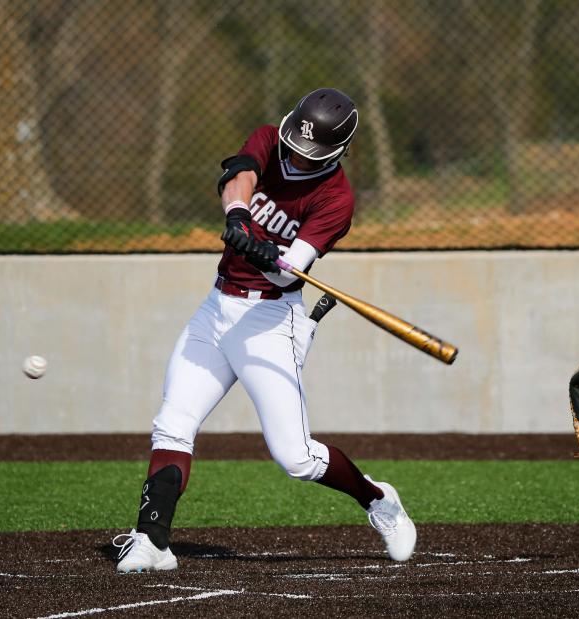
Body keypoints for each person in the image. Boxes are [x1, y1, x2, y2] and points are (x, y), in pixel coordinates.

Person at [111, 88, 416, 573]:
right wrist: (237, 215)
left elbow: (289, 272)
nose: (294, 152)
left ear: (336, 151)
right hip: (217, 308)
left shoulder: (336, 199)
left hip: (271, 320)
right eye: (294, 141)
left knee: (296, 458)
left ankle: (378, 499)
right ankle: (152, 541)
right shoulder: (270, 139)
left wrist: (261, 251)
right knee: (173, 422)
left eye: (307, 150)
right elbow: (239, 175)